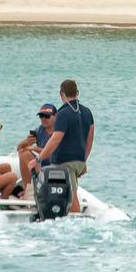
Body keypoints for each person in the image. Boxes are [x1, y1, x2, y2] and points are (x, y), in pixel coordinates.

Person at [31, 80, 94, 214]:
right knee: (71, 191)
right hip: (79, 160)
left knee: (71, 196)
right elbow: (89, 140)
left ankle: (74, 220)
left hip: (65, 162)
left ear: (61, 94)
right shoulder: (87, 112)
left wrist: (38, 159)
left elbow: (55, 139)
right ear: (77, 93)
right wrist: (83, 161)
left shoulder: (63, 113)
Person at [15, 103, 56, 192]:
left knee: (26, 153)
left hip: (56, 165)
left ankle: (30, 190)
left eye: (47, 116)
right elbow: (18, 147)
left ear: (55, 116)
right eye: (41, 116)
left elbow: (55, 152)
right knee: (23, 152)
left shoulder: (59, 131)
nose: (44, 119)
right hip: (41, 163)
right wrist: (26, 142)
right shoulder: (39, 130)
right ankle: (28, 189)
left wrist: (34, 148)